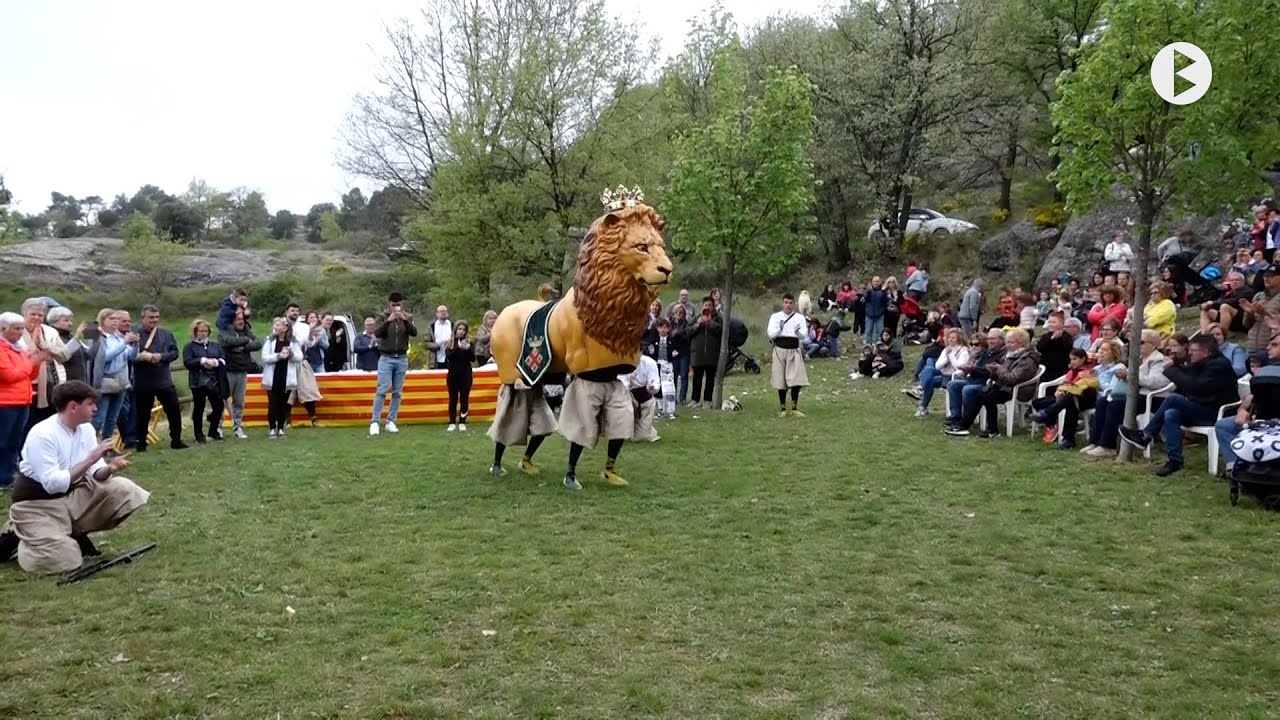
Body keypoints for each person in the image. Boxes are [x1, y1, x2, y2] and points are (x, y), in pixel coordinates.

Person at [0, 381, 149, 575]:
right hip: (37, 504)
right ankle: (20, 537)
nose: (95, 408)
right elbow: (53, 485)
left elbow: (97, 472)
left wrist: (110, 468)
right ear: (73, 406)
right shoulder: (42, 434)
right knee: (67, 560)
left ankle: (72, 532)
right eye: (90, 404)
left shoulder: (85, 429)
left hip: (70, 497)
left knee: (124, 490)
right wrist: (91, 458)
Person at [1119, 335, 1239, 476]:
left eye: (1194, 350)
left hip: (1217, 414)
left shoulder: (1219, 365)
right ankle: (1175, 460)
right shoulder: (1202, 362)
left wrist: (1171, 370)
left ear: (1206, 352)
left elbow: (1194, 386)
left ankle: (1146, 435)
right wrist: (1175, 366)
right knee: (1171, 414)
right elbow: (1188, 377)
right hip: (1201, 408)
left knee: (1173, 399)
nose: (1190, 353)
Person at [1215, 334, 1280, 476]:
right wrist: (1243, 409)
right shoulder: (1265, 370)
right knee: (1224, 426)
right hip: (1262, 418)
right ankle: (1236, 469)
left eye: (1274, 345)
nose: (1268, 348)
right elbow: (1254, 396)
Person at [132, 304, 186, 453]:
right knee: (143, 413)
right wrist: (146, 357)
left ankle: (176, 440)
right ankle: (141, 443)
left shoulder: (166, 333)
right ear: (143, 317)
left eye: (156, 317)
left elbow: (175, 352)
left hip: (164, 379)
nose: (154, 320)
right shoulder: (134, 334)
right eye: (151, 317)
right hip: (143, 380)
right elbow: (129, 356)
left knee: (174, 410)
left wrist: (161, 357)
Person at [1, 312, 43, 490]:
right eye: (16, 328)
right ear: (3, 329)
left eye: (21, 328)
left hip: (22, 401)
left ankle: (8, 476)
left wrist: (37, 362)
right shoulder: (2, 349)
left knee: (15, 441)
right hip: (5, 404)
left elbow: (30, 375)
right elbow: (9, 375)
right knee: (2, 442)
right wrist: (30, 363)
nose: (20, 332)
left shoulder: (18, 349)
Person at [370, 293, 418, 436]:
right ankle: (375, 422)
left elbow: (414, 333)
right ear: (389, 304)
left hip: (402, 358)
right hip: (386, 357)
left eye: (398, 305)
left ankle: (391, 421)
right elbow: (377, 333)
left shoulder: (407, 317)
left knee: (397, 392)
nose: (396, 308)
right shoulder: (382, 317)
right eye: (393, 305)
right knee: (382, 390)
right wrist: (388, 321)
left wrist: (405, 321)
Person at [218, 306, 261, 440]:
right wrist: (245, 342)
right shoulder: (224, 332)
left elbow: (258, 343)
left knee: (239, 402)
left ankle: (237, 427)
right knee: (222, 401)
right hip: (228, 371)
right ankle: (218, 427)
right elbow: (227, 342)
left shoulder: (245, 331)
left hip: (242, 371)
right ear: (231, 321)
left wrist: (244, 346)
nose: (241, 322)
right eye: (238, 319)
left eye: (242, 319)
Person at [182, 319, 227, 443]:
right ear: (195, 332)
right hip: (198, 381)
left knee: (218, 406)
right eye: (201, 331)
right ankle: (199, 434)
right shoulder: (189, 347)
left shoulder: (215, 345)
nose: (203, 333)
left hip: (214, 381)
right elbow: (188, 362)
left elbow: (223, 359)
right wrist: (202, 361)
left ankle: (213, 431)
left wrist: (215, 362)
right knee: (199, 408)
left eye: (205, 331)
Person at [767, 293, 810, 418]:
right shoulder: (775, 317)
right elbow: (771, 334)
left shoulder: (799, 318)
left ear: (794, 304)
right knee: (780, 379)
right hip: (780, 349)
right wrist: (779, 329)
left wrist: (797, 332)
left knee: (796, 379)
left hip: (794, 349)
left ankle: (794, 407)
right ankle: (783, 407)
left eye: (791, 303)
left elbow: (804, 335)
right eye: (786, 302)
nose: (788, 305)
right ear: (782, 303)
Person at [261, 317, 303, 439]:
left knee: (283, 404)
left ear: (285, 328)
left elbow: (299, 357)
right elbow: (265, 358)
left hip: (286, 376)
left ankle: (281, 427)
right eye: (275, 324)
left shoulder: (293, 341)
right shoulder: (269, 340)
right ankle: (272, 428)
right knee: (273, 403)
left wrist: (291, 354)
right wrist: (278, 356)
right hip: (273, 376)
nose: (275, 327)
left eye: (278, 325)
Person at [624, 350, 660, 442]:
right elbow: (623, 384)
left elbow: (655, 383)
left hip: (646, 401)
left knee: (639, 438)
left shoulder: (650, 363)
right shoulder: (624, 363)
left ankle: (646, 429)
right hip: (629, 398)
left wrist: (652, 387)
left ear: (641, 352)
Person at [445, 321, 475, 432]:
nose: (461, 331)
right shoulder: (450, 343)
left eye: (464, 329)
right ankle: (452, 422)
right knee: (453, 398)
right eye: (460, 329)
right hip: (453, 374)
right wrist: (458, 347)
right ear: (455, 330)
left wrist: (467, 350)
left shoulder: (469, 343)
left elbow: (472, 359)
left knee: (464, 398)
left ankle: (462, 421)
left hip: (466, 374)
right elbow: (449, 356)